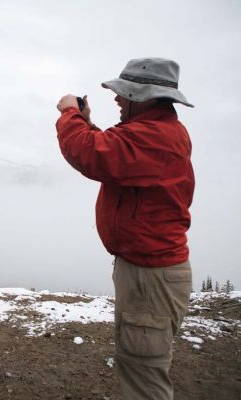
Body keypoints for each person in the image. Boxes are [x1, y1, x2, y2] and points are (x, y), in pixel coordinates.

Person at [55, 58, 194, 400]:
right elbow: (120, 155)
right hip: (146, 273)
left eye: (124, 93)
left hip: (150, 278)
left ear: (144, 97)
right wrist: (88, 124)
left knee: (144, 380)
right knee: (139, 364)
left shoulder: (155, 136)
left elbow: (93, 155)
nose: (117, 99)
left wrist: (70, 115)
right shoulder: (155, 133)